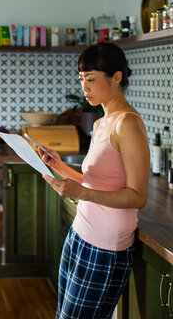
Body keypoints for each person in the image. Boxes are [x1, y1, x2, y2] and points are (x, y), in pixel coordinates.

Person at [37, 42, 150, 319]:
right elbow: (95, 181)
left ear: (116, 77)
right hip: (80, 235)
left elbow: (138, 196)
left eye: (90, 79)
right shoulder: (101, 123)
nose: (84, 88)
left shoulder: (128, 124)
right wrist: (60, 166)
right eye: (81, 80)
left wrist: (82, 193)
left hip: (107, 246)